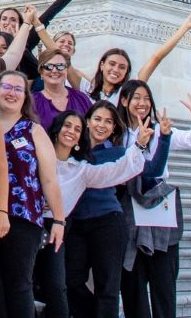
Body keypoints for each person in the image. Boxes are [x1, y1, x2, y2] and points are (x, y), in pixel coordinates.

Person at [65, 100, 167, 318]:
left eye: (109, 122)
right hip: (76, 224)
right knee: (70, 280)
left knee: (108, 286)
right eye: (98, 119)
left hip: (108, 222)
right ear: (88, 122)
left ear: (114, 128)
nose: (102, 125)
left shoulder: (119, 152)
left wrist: (163, 138)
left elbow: (153, 169)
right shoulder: (71, 152)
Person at [117, 82, 191, 318]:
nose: (142, 103)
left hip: (159, 206)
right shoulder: (118, 133)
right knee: (132, 278)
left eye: (147, 98)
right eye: (136, 97)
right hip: (129, 206)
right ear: (124, 100)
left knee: (164, 281)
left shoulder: (160, 129)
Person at [0, 70, 67, 318]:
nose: (11, 93)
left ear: (25, 97)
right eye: (6, 87)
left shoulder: (34, 130)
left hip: (23, 216)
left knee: (19, 284)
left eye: (18, 89)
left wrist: (59, 219)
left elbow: (49, 179)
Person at [85, 11, 191, 102]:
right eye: (112, 64)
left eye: (122, 67)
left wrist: (185, 27)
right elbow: (67, 64)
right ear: (102, 65)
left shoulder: (128, 89)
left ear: (127, 72)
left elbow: (157, 57)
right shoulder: (86, 88)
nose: (116, 70)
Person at [34, 48, 93, 130]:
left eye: (60, 66)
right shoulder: (32, 102)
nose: (54, 70)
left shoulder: (81, 98)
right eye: (49, 66)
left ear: (66, 71)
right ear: (41, 72)